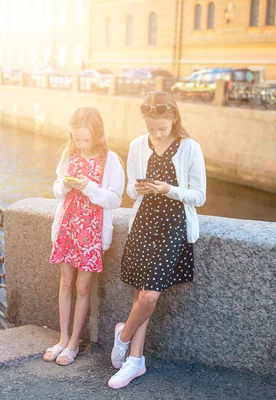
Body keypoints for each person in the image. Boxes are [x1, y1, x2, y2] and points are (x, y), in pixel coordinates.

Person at [108, 91, 206, 389]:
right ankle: (136, 361)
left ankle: (123, 336)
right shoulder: (138, 144)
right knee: (141, 295)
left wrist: (168, 189)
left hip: (173, 226)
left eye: (162, 128)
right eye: (151, 128)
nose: (156, 134)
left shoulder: (191, 148)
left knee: (150, 296)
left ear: (174, 119)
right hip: (144, 222)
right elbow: (130, 191)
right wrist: (142, 188)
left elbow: (199, 197)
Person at [44, 106, 125, 366]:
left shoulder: (110, 159)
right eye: (76, 138)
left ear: (97, 135)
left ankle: (75, 342)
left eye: (85, 139)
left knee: (82, 287)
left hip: (91, 231)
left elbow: (114, 199)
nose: (80, 143)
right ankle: (62, 337)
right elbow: (57, 188)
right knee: (66, 282)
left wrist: (89, 187)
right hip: (69, 225)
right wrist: (66, 184)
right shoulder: (70, 153)